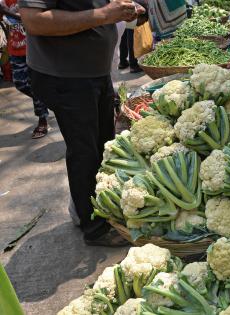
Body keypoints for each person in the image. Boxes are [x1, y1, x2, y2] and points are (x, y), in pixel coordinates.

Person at [18, 0, 145, 246]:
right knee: (85, 151)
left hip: (94, 73)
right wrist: (104, 15)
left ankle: (96, 209)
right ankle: (94, 227)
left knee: (105, 146)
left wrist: (126, 11)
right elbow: (34, 20)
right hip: (66, 77)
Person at [0, 0, 49, 138]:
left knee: (35, 84)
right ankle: (45, 101)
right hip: (14, 48)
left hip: (33, 49)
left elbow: (33, 19)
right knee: (20, 83)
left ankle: (42, 120)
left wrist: (6, 11)